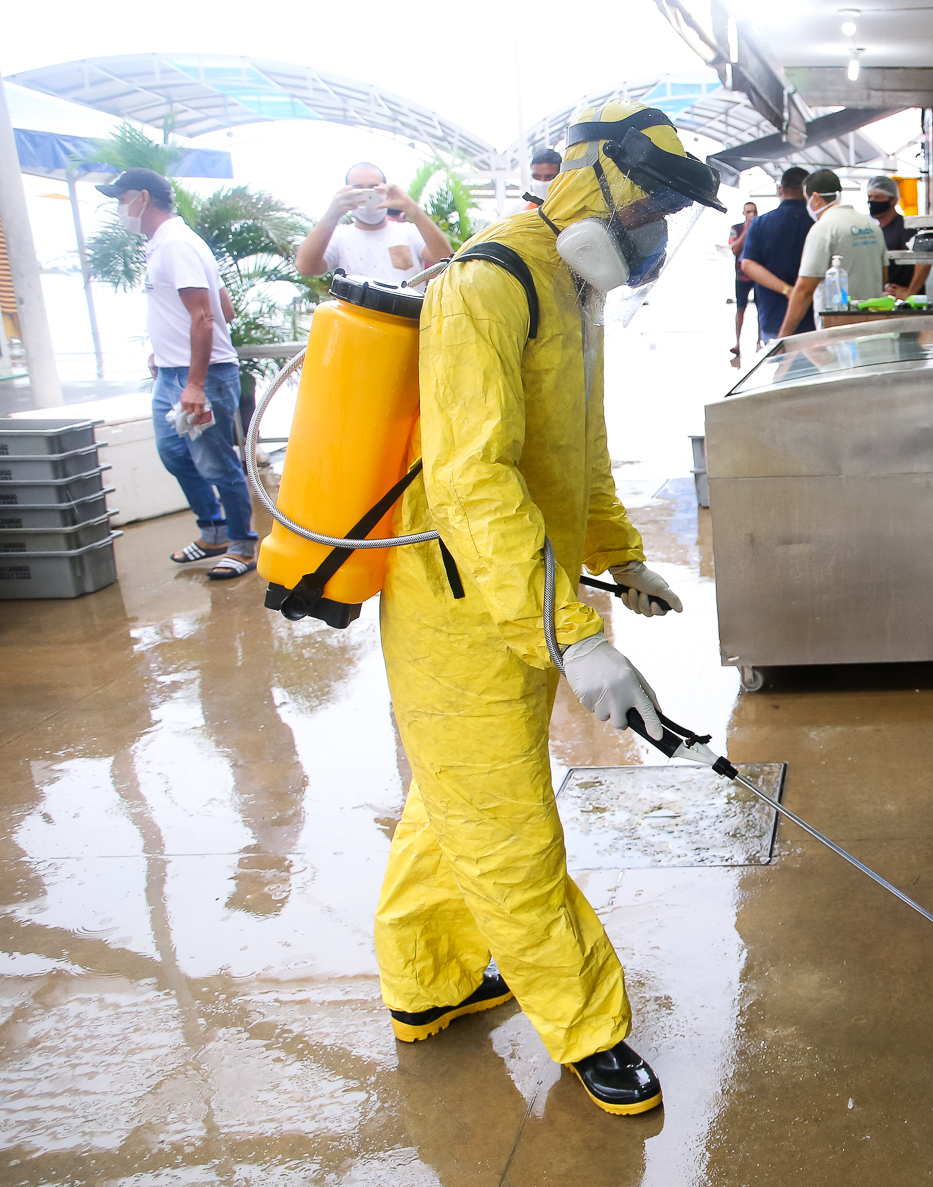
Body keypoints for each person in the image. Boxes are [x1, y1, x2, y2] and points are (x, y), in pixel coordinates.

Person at [371, 99, 723, 1117]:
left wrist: (616, 556)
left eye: (666, 207)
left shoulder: (573, 287)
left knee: (453, 802)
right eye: (647, 198)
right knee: (508, 826)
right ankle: (587, 1025)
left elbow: (580, 444)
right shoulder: (489, 281)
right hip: (461, 606)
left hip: (531, 587)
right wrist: (573, 635)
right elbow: (475, 482)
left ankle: (427, 982)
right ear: (582, 176)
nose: (654, 223)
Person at [99, 168, 258, 581]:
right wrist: (166, 350)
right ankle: (214, 531)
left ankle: (242, 545)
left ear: (143, 198)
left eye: (121, 198)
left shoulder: (177, 244)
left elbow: (205, 317)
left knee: (218, 464)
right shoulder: (164, 245)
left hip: (199, 375)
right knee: (174, 454)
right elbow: (225, 308)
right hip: (171, 371)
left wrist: (195, 382)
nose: (119, 208)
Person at [295, 162, 452, 286]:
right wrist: (332, 213)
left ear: (385, 188)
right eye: (358, 189)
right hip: (357, 322)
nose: (367, 194)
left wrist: (412, 209)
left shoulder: (408, 231)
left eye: (373, 187)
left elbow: (446, 260)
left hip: (405, 320)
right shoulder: (339, 236)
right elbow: (306, 267)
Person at [777, 169, 886, 339]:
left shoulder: (823, 229)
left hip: (837, 330)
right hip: (873, 326)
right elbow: (883, 276)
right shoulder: (871, 225)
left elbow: (805, 289)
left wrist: (782, 339)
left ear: (816, 198)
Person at [737, 166, 814, 343]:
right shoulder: (817, 223)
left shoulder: (760, 224)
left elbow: (748, 264)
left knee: (778, 365)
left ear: (780, 190)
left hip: (773, 314)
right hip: (812, 316)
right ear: (808, 191)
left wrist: (788, 291)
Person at [865, 177, 929, 299]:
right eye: (870, 197)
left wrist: (910, 293)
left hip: (906, 304)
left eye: (878, 197)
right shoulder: (877, 231)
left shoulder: (905, 228)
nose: (872, 201)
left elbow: (924, 260)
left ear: (893, 200)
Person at [727, 201, 757, 357]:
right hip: (741, 274)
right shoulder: (736, 229)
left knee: (761, 308)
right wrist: (746, 230)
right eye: (748, 212)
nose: (751, 215)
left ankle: (759, 342)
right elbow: (734, 249)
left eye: (753, 212)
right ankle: (737, 343)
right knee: (740, 308)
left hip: (758, 274)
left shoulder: (760, 227)